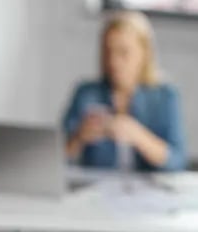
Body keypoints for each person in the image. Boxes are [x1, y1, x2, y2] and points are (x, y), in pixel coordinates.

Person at [63, 11, 187, 171]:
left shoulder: (165, 96)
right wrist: (78, 137)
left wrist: (138, 136)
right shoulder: (86, 94)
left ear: (144, 54)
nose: (113, 62)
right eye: (108, 52)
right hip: (97, 190)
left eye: (124, 52)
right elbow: (53, 158)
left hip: (147, 192)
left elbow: (177, 162)